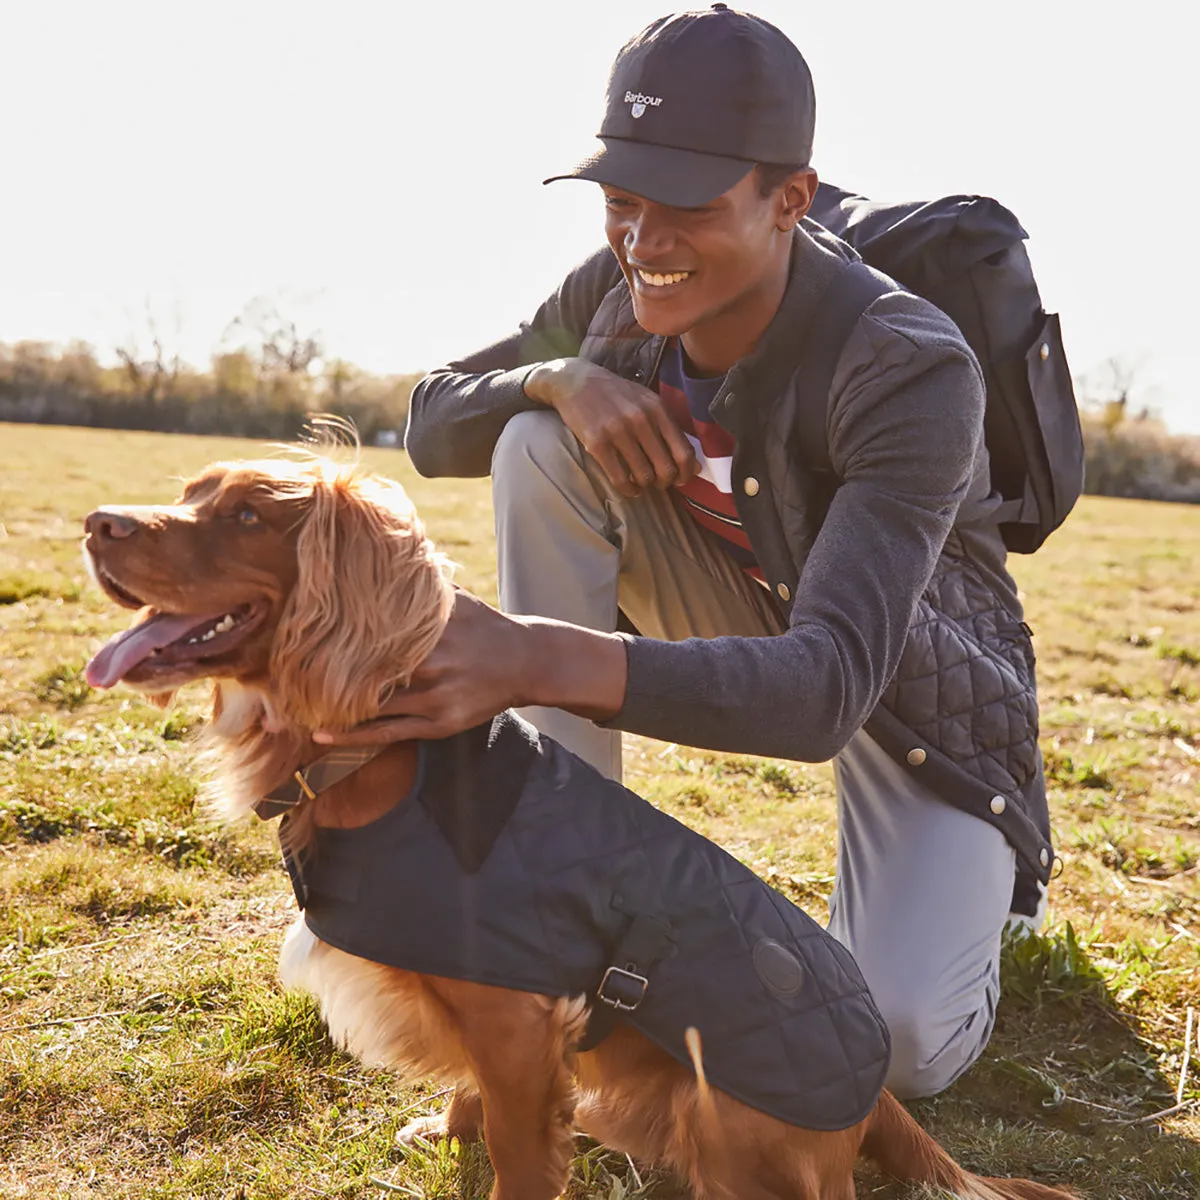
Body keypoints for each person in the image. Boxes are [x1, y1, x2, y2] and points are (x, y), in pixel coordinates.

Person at [316, 4, 1053, 1098]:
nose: (645, 243)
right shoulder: (610, 297)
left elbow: (821, 697)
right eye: (622, 201)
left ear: (788, 200)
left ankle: (1000, 904)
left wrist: (530, 658)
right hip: (732, 599)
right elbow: (432, 419)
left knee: (889, 1045)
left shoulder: (906, 363)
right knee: (534, 441)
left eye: (689, 208)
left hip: (893, 674)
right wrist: (557, 377)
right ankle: (550, 903)